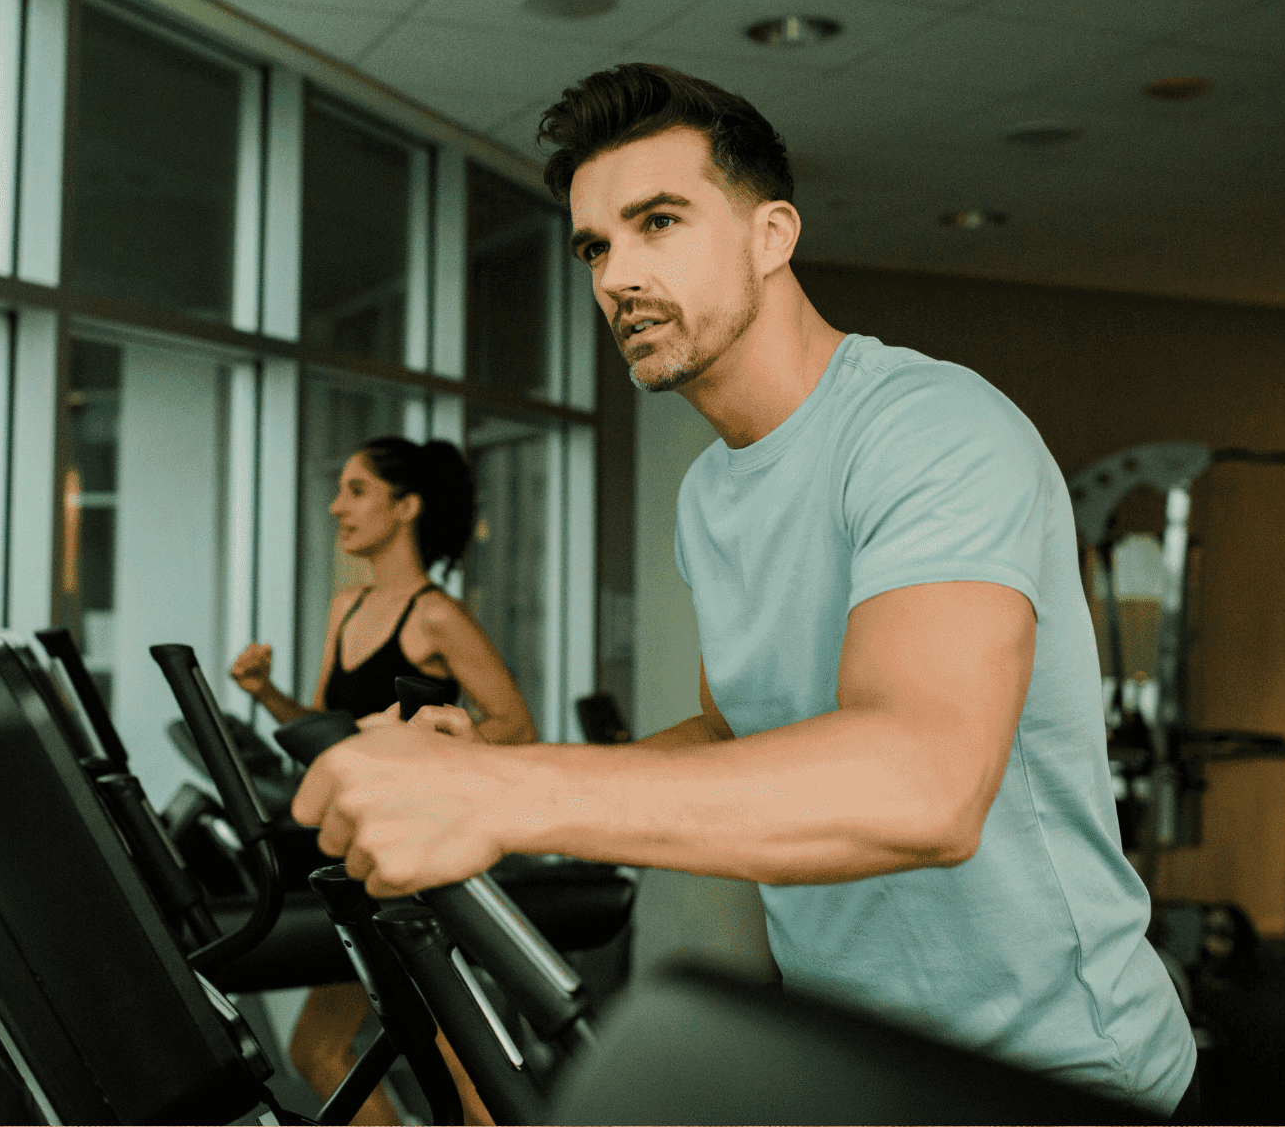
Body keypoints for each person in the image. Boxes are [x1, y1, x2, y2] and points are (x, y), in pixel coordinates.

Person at [289, 65, 1200, 1118]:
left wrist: (504, 798)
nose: (618, 274)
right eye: (596, 246)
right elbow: (734, 734)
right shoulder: (708, 492)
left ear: (773, 234)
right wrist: (504, 765)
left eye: (658, 221)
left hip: (1050, 1068)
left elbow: (928, 783)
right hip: (853, 1053)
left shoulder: (933, 427)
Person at [230, 435, 535, 1125]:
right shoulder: (345, 609)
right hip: (358, 860)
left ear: (407, 507)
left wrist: (423, 745)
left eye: (357, 490)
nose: (338, 506)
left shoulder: (435, 614)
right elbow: (330, 730)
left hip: (416, 860)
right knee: (320, 1048)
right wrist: (268, 694)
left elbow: (515, 723)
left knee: (458, 1057)